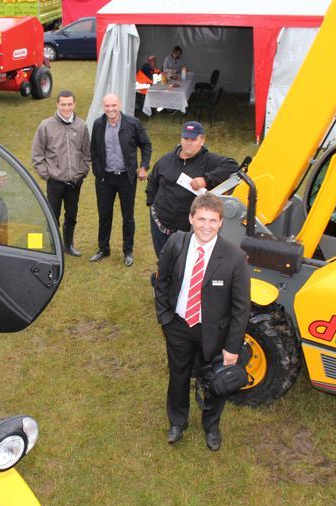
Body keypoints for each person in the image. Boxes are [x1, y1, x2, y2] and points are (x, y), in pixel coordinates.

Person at [154, 193, 250, 452]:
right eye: (201, 219)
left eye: (212, 220)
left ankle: (211, 425)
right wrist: (165, 317)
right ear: (190, 218)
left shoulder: (235, 258)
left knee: (214, 381)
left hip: (214, 333)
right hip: (179, 326)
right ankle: (177, 421)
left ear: (221, 223)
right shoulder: (176, 243)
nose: (206, 225)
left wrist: (232, 347)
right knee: (178, 376)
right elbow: (161, 282)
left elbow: (241, 309)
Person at [146, 121, 238, 258]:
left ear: (202, 140)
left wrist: (206, 179)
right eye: (185, 139)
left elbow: (232, 166)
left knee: (184, 262)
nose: (188, 143)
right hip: (160, 224)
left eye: (193, 139)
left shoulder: (209, 160)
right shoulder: (166, 160)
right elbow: (152, 181)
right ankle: (163, 277)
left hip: (188, 229)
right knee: (163, 259)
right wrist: (151, 202)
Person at [89, 93, 153, 267]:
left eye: (113, 105)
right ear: (103, 107)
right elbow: (93, 149)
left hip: (126, 178)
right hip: (105, 179)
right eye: (107, 106)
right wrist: (97, 171)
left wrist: (143, 167)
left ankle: (128, 251)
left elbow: (146, 145)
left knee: (128, 216)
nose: (110, 109)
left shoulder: (132, 124)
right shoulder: (98, 124)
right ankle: (103, 249)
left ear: (120, 105)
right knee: (104, 215)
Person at [32, 90, 91, 256]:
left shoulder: (82, 126)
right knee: (52, 215)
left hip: (74, 182)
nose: (66, 108)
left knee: (71, 214)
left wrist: (83, 171)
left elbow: (87, 153)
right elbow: (37, 155)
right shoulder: (45, 126)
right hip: (55, 182)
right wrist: (47, 175)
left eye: (69, 104)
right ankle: (53, 247)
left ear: (74, 104)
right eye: (63, 104)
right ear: (57, 104)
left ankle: (68, 245)